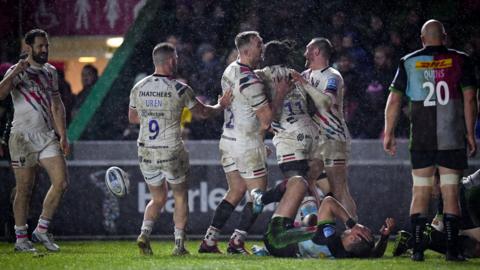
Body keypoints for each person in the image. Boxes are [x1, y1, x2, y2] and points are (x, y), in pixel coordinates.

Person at [384, 19, 478, 261]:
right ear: (444, 37)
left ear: (422, 39)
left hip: (423, 139)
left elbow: (394, 101)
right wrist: (470, 132)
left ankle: (417, 250)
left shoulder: (408, 61)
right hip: (451, 138)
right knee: (450, 194)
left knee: (421, 192)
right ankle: (451, 251)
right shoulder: (461, 60)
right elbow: (470, 99)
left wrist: (389, 132)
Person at [128, 42, 231, 256]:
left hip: (146, 149)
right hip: (171, 149)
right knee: (180, 196)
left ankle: (144, 234)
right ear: (170, 61)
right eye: (176, 58)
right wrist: (221, 105)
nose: (178, 61)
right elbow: (203, 113)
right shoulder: (180, 89)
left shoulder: (139, 87)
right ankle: (178, 245)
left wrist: (153, 114)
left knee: (157, 198)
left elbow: (133, 118)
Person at [199, 31, 288, 254]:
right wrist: (280, 93)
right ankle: (237, 242)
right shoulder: (250, 80)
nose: (263, 47)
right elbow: (268, 119)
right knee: (257, 195)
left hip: (228, 140)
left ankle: (209, 241)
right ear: (247, 50)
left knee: (236, 189)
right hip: (246, 144)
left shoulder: (230, 69)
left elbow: (238, 108)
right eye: (259, 44)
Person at [0, 29, 70, 252]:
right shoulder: (17, 71)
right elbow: (0, 94)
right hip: (22, 137)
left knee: (61, 183)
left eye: (46, 45)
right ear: (28, 47)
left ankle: (41, 229)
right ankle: (21, 238)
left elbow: (57, 105)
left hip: (46, 135)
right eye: (40, 46)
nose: (45, 50)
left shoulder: (50, 72)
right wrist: (14, 74)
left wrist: (63, 135)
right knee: (25, 189)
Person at [251, 40, 330, 212]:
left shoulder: (261, 75)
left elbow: (248, 87)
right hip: (312, 131)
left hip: (289, 135)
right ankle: (332, 221)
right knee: (322, 186)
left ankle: (264, 199)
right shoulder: (297, 74)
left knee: (297, 186)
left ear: (265, 56)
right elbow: (313, 106)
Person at [297, 37, 357, 218]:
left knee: (338, 188)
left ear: (316, 51)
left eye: (307, 49)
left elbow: (327, 102)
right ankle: (317, 225)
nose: (304, 53)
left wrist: (304, 85)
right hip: (314, 139)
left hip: (333, 136)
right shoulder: (305, 75)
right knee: (304, 181)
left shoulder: (332, 75)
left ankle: (355, 231)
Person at [264, 196, 393, 259]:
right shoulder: (348, 254)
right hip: (291, 249)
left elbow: (328, 202)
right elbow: (375, 254)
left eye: (363, 228)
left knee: (299, 184)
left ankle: (263, 198)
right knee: (313, 220)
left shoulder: (330, 238)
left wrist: (352, 224)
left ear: (354, 238)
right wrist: (384, 237)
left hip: (276, 240)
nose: (361, 226)